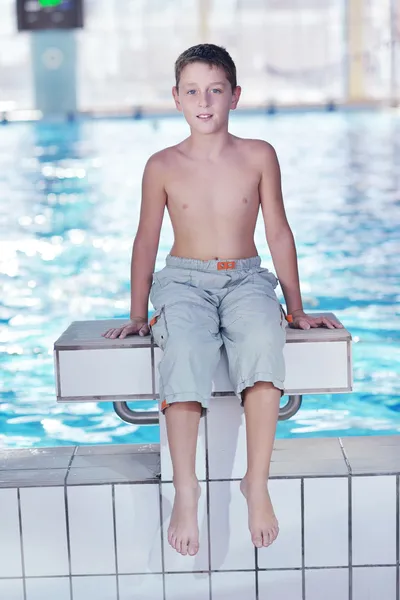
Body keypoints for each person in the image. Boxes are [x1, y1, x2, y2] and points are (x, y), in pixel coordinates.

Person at [102, 43, 342, 558]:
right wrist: (138, 313)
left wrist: (296, 308)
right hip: (183, 282)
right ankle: (185, 490)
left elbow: (278, 230)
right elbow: (146, 239)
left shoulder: (259, 155)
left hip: (247, 279)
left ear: (235, 95)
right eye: (192, 91)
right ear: (176, 98)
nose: (204, 101)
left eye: (215, 90)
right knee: (185, 349)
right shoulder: (162, 165)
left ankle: (256, 482)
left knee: (261, 342)